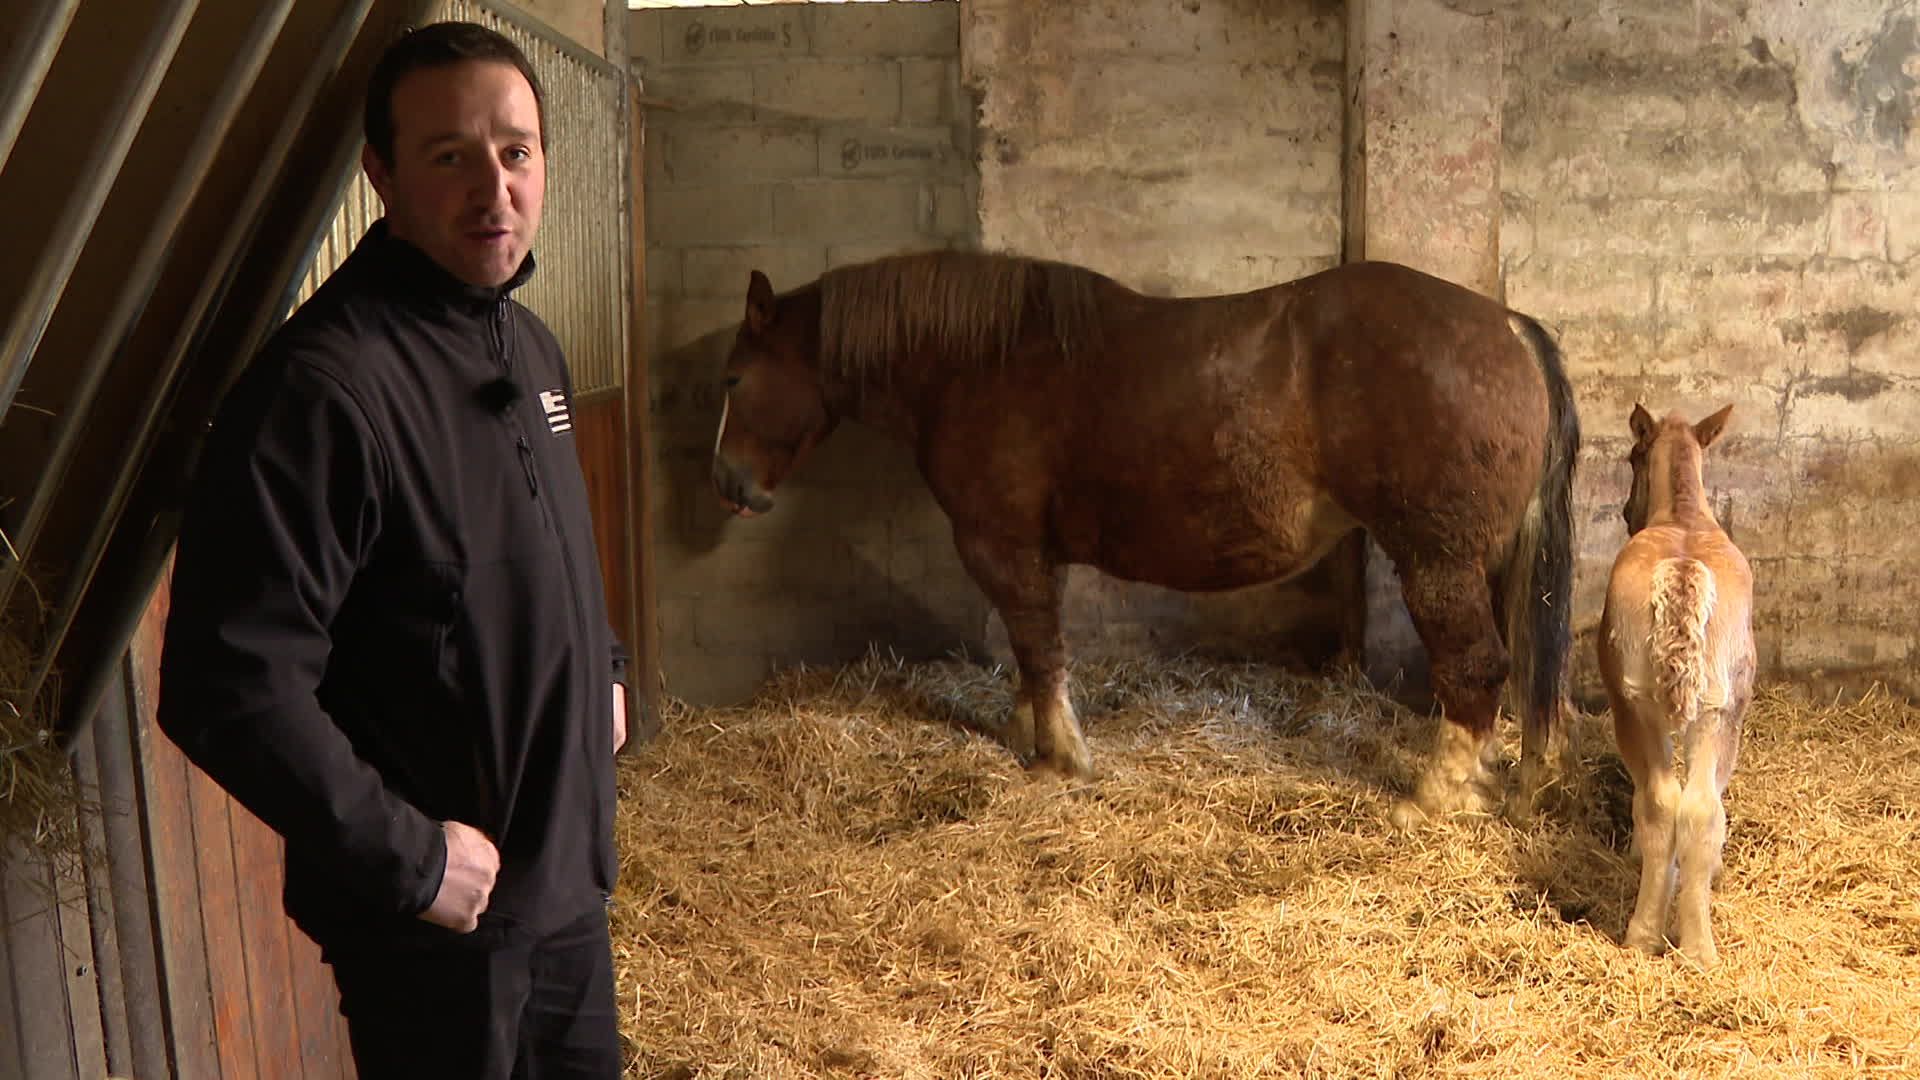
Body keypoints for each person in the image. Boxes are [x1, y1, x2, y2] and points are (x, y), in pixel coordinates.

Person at [157, 21, 628, 1078]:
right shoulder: (324, 393)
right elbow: (226, 683)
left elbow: (545, 555)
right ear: (381, 174)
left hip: (566, 900)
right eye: (449, 156)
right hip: (445, 944)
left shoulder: (527, 342)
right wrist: (412, 861)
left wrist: (604, 664)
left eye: (515, 152)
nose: (492, 187)